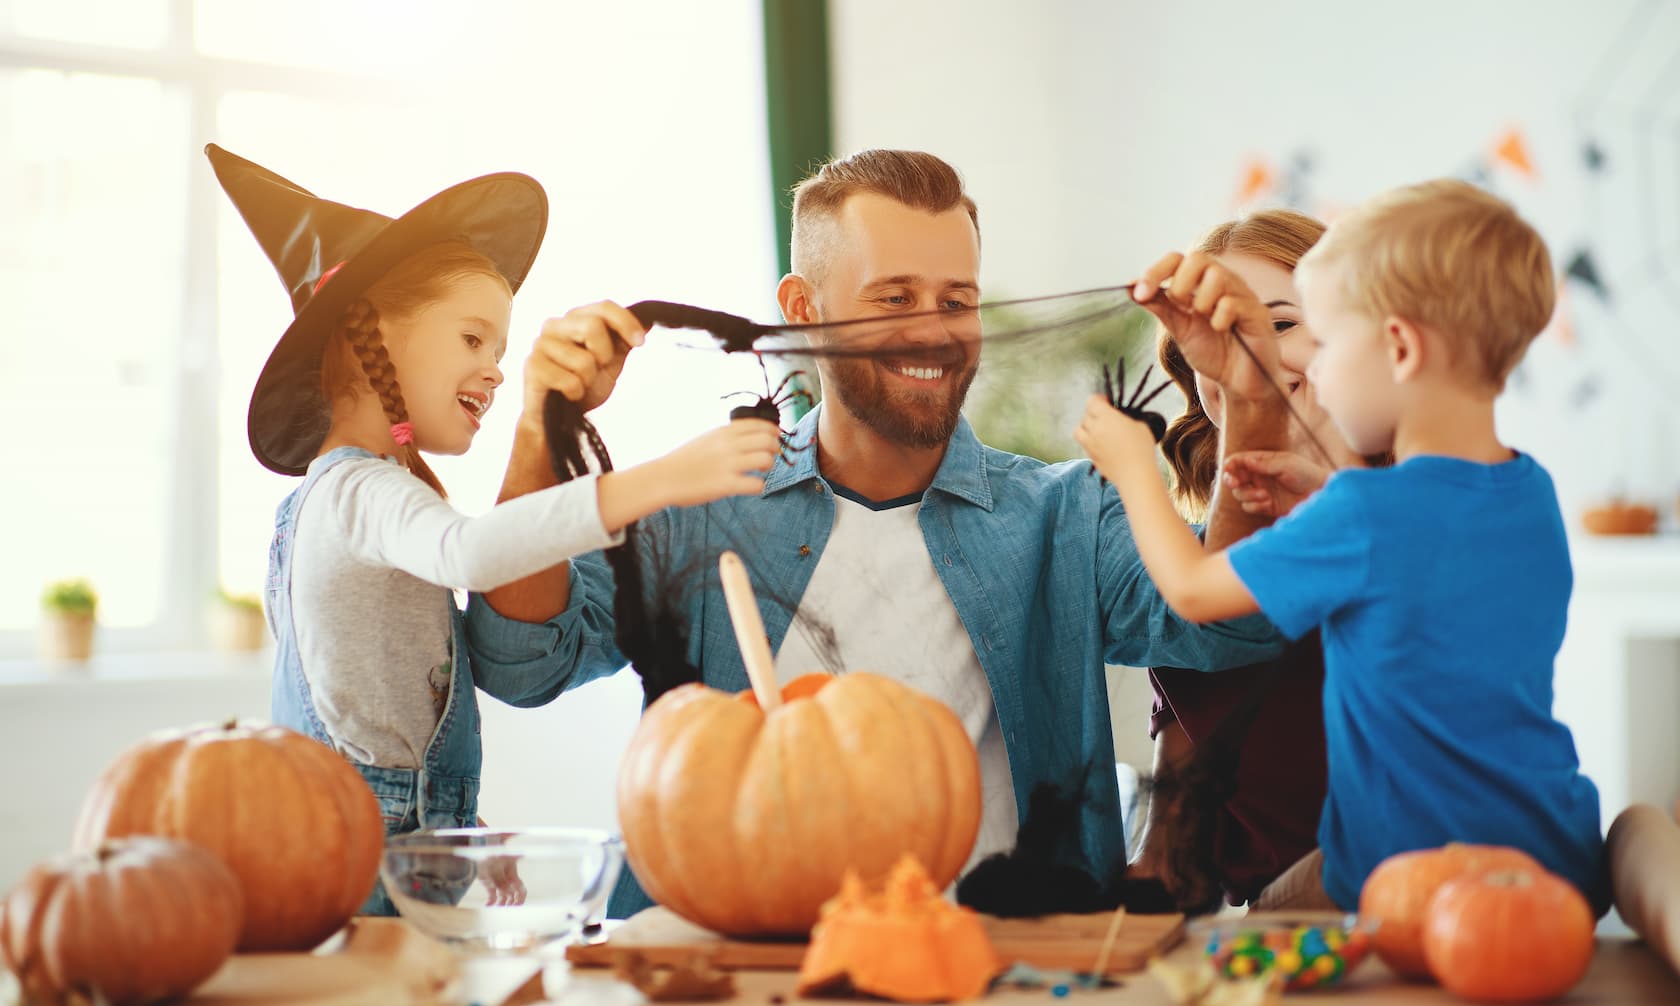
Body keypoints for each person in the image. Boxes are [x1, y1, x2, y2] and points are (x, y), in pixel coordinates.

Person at [463, 149, 1285, 919]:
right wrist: (540, 423)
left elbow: (1232, 630)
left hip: (1003, 969)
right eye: (893, 298)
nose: (932, 330)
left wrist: (1247, 399)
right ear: (803, 310)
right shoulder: (695, 505)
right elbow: (519, 661)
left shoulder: (1070, 513)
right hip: (740, 976)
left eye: (955, 301)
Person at [208, 144, 780, 914]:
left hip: (383, 846)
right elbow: (471, 551)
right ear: (368, 331)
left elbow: (365, 718)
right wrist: (663, 479)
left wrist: (457, 829)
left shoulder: (336, 498)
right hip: (353, 862)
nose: (496, 370)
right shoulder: (356, 492)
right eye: (473, 339)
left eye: (501, 349)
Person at [1076, 179, 1609, 913]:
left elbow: (1195, 593)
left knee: (1267, 925)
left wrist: (1134, 466)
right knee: (1640, 833)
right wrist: (1329, 502)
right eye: (1220, 332)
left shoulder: (1361, 516)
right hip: (1555, 846)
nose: (1276, 359)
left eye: (1302, 329)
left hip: (1399, 874)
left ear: (1396, 345)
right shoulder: (1530, 489)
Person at [1130, 209, 1377, 912]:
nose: (1250, 355)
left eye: (1280, 324)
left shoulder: (1408, 521)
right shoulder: (1192, 570)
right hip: (1287, 947)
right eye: (1224, 335)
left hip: (1427, 889)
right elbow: (1172, 849)